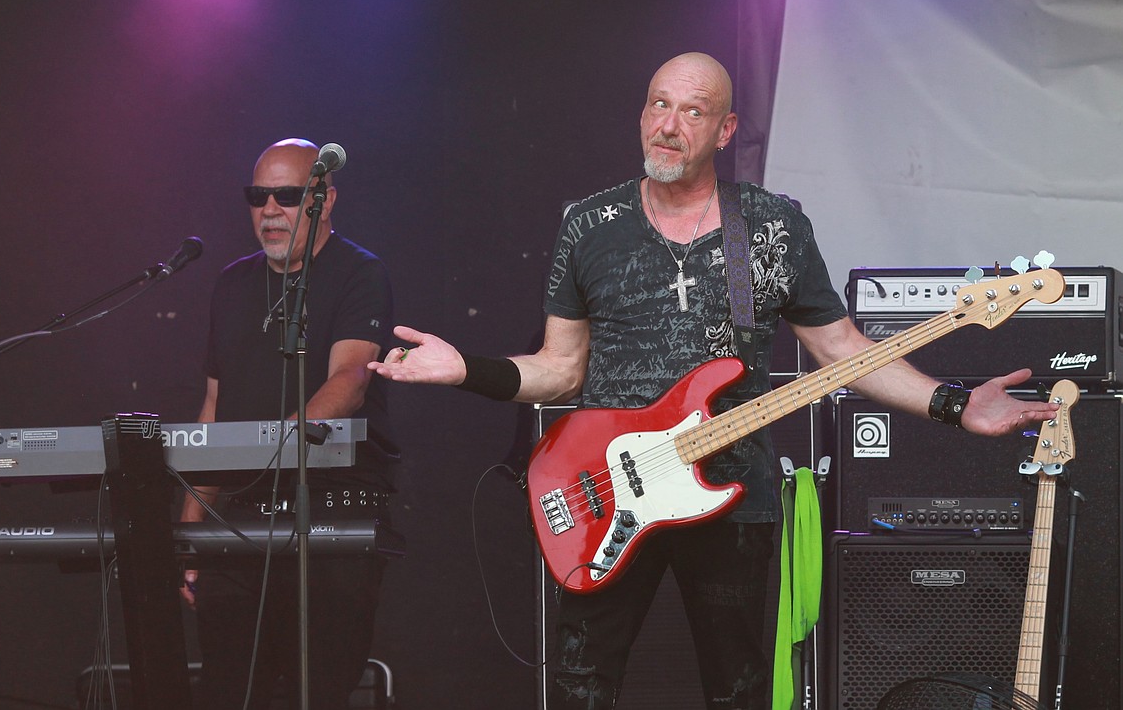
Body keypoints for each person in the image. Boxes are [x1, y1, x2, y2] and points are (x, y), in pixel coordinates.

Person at [367, 53, 1057, 709]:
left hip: (732, 497)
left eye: (693, 112)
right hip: (604, 490)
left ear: (725, 131)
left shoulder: (772, 225)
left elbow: (843, 349)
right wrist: (466, 371)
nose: (669, 124)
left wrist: (955, 404)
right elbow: (560, 369)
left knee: (738, 688)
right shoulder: (589, 225)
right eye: (658, 105)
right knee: (581, 685)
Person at [180, 138, 397, 710]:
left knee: (318, 686)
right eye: (258, 195)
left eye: (286, 195)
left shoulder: (358, 272)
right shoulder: (231, 283)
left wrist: (269, 449)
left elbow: (349, 381)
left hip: (330, 506)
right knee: (229, 686)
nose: (270, 209)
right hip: (238, 516)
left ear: (323, 202)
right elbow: (213, 410)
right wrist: (191, 532)